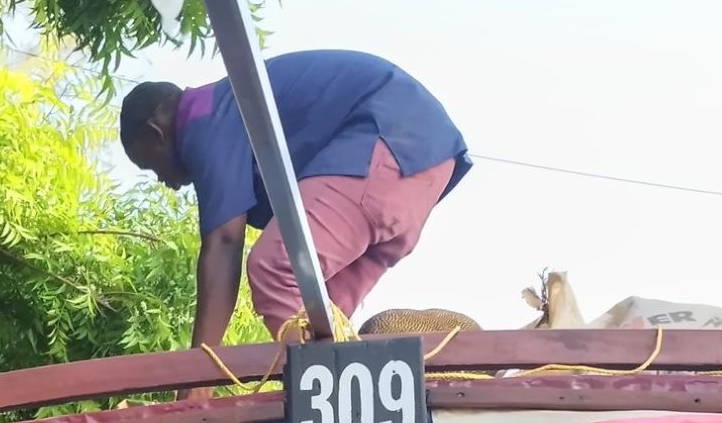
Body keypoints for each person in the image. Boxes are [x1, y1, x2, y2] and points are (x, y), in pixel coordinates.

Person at [119, 51, 470, 347]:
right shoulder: (228, 111)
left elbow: (225, 242)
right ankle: (344, 413)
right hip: (423, 166)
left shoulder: (203, 116)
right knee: (321, 318)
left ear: (156, 131)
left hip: (388, 140)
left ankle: (333, 401)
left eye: (150, 165)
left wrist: (194, 387)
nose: (166, 182)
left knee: (275, 268)